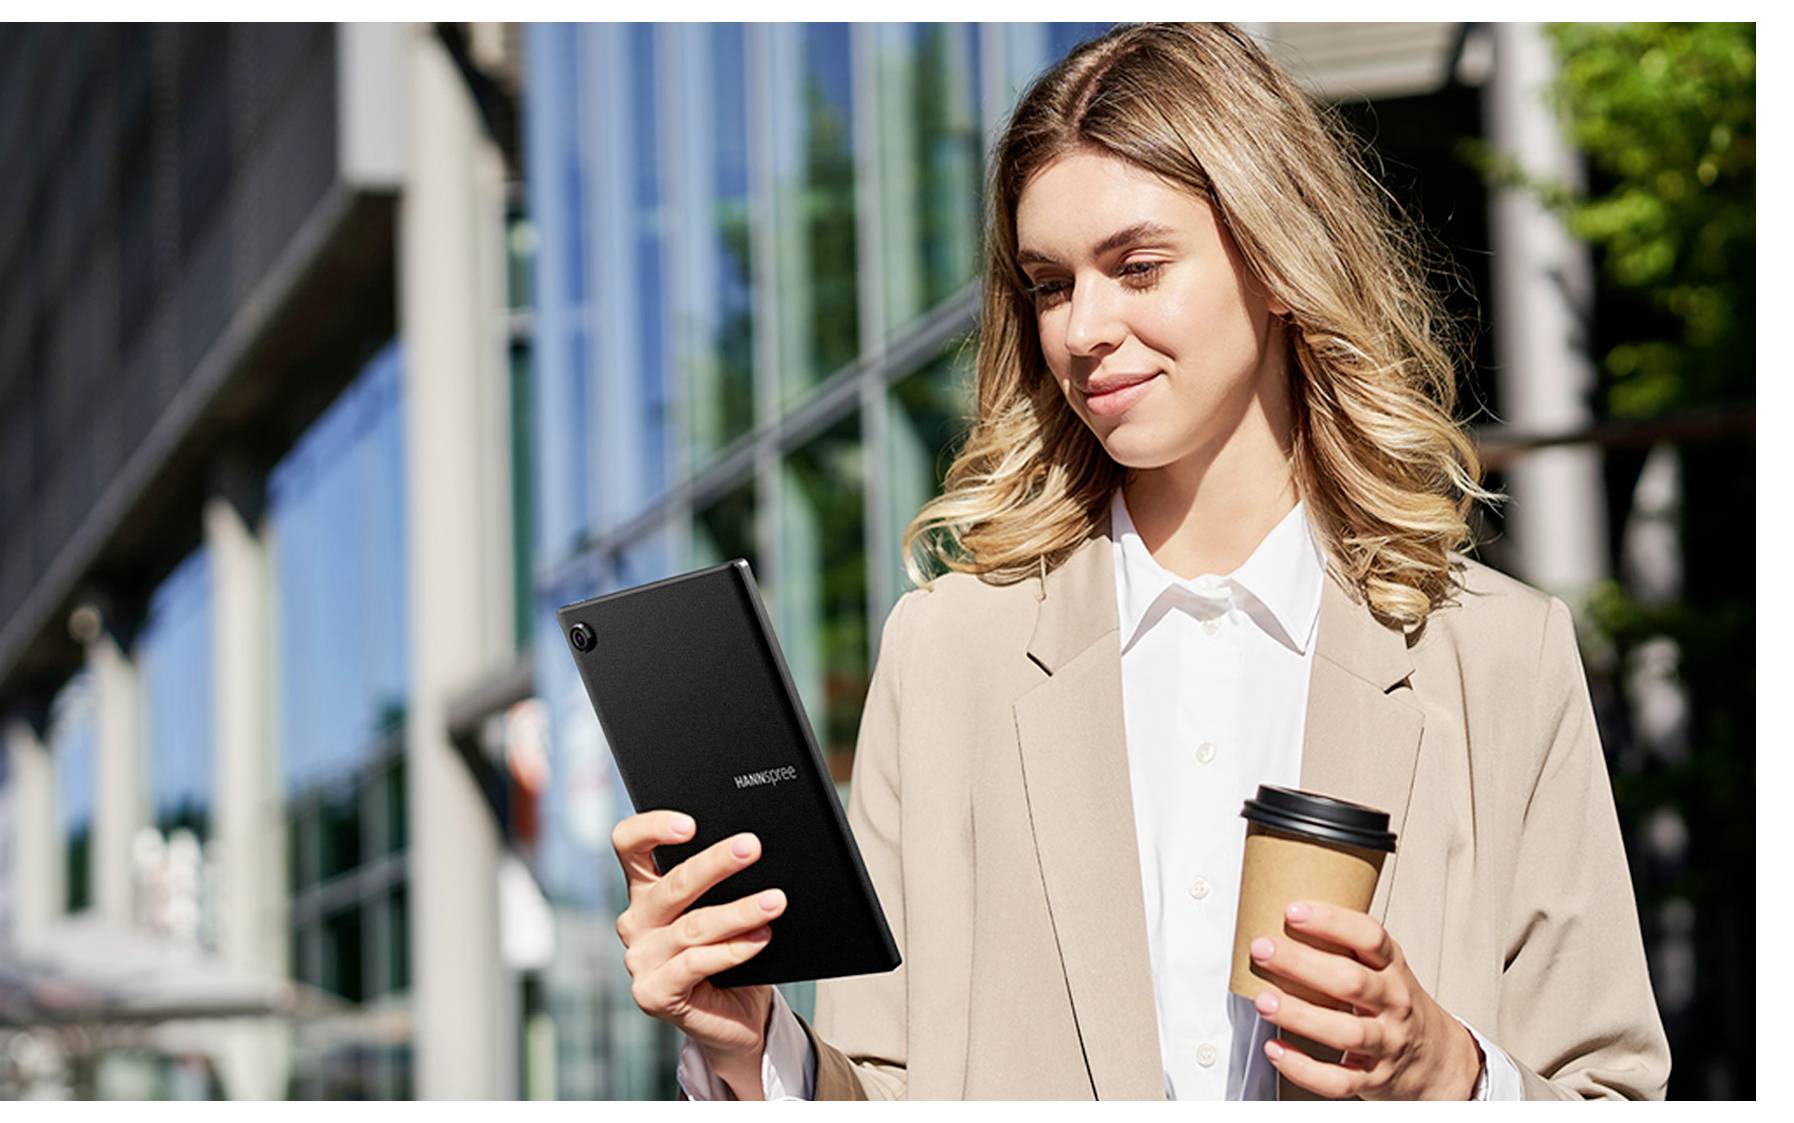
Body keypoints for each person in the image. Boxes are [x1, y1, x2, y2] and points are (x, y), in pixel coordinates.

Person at [608, 22, 1670, 1100]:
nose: (1083, 329)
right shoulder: (948, 656)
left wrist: (1447, 1070)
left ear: (1272, 256)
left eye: (1136, 266)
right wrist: (748, 1047)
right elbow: (881, 1085)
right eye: (1051, 285)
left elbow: (1611, 1088)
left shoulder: (1491, 653)